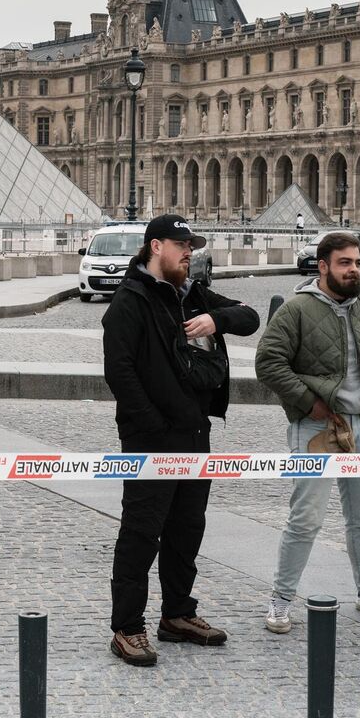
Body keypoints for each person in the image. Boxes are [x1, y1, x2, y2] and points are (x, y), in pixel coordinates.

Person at [102, 214, 260, 667]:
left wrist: (214, 319)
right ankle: (127, 627)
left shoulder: (193, 295)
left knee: (187, 529)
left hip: (195, 433)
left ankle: (177, 614)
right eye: (181, 244)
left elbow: (249, 318)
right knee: (141, 533)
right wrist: (152, 425)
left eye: (192, 245)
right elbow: (120, 373)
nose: (189, 252)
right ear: (156, 247)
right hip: (151, 440)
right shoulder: (130, 300)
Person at [256, 230, 360, 634]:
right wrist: (310, 403)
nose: (354, 270)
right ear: (323, 266)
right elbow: (268, 362)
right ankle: (280, 599)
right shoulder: (296, 310)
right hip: (316, 426)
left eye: (357, 263)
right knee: (305, 518)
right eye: (345, 263)